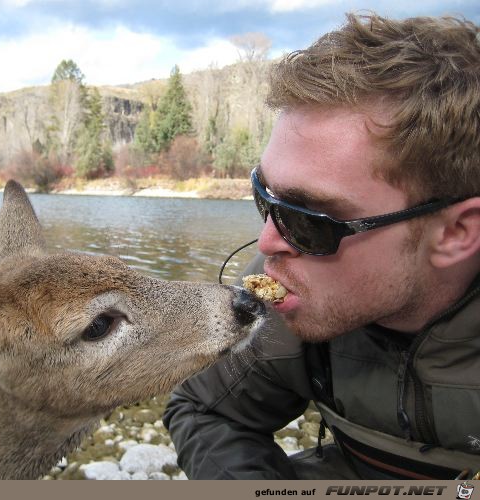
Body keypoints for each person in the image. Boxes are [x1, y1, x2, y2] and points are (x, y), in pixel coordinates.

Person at [163, 12, 480, 480]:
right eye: (263, 197)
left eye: (309, 221)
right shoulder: (291, 285)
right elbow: (205, 408)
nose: (270, 242)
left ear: (456, 233)